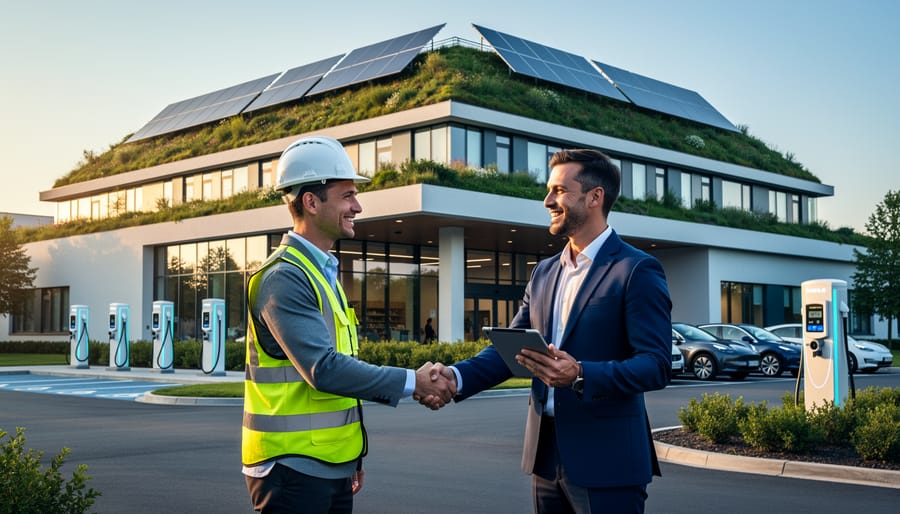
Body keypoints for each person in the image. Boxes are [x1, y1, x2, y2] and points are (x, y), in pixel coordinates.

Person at [427, 148, 672, 513]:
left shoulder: (636, 270)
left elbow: (655, 365)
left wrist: (582, 373)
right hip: (546, 457)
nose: (547, 201)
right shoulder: (544, 272)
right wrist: (454, 376)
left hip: (608, 461)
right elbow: (511, 351)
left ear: (594, 197)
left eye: (559, 190)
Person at [241, 135, 455, 514]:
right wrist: (414, 381)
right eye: (347, 195)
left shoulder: (322, 273)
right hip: (292, 468)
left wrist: (349, 458)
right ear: (310, 201)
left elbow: (342, 370)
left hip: (328, 464)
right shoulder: (284, 278)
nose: (357, 206)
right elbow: (323, 369)